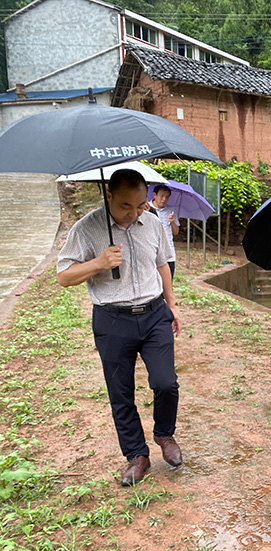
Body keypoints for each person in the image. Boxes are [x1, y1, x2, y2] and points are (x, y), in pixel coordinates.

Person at [56, 169, 183, 486]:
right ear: (109, 195)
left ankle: (164, 434)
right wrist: (98, 263)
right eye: (127, 205)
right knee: (121, 392)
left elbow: (162, 263)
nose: (135, 212)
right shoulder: (87, 229)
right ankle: (137, 455)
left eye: (140, 205)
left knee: (166, 382)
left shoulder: (151, 221)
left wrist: (172, 303)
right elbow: (63, 277)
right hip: (112, 319)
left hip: (154, 312)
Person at [150, 184, 179, 279]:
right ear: (155, 195)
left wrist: (173, 222)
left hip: (168, 253)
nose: (164, 199)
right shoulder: (146, 208)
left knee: (167, 284)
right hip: (152, 252)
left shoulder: (171, 211)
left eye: (167, 197)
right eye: (162, 196)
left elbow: (176, 232)